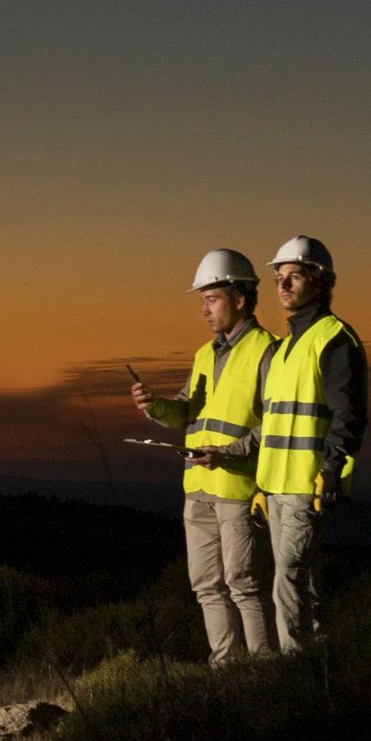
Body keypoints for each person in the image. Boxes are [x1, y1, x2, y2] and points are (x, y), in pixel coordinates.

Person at [130, 250, 277, 663]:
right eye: (202, 301)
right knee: (206, 586)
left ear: (240, 299)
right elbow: (186, 412)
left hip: (237, 487)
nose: (204, 310)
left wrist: (229, 454)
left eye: (211, 300)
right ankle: (226, 670)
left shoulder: (267, 351)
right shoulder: (204, 354)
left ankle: (265, 673)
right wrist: (154, 405)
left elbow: (275, 424)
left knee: (243, 583)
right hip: (197, 487)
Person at [253, 236, 367, 652]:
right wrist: (261, 487)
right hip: (276, 487)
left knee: (288, 576)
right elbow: (273, 424)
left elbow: (348, 416)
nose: (282, 286)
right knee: (305, 577)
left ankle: (292, 672)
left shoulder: (334, 339)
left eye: (293, 277)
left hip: (307, 484)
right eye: (278, 278)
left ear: (320, 282)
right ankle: (317, 669)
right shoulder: (283, 348)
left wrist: (331, 471)